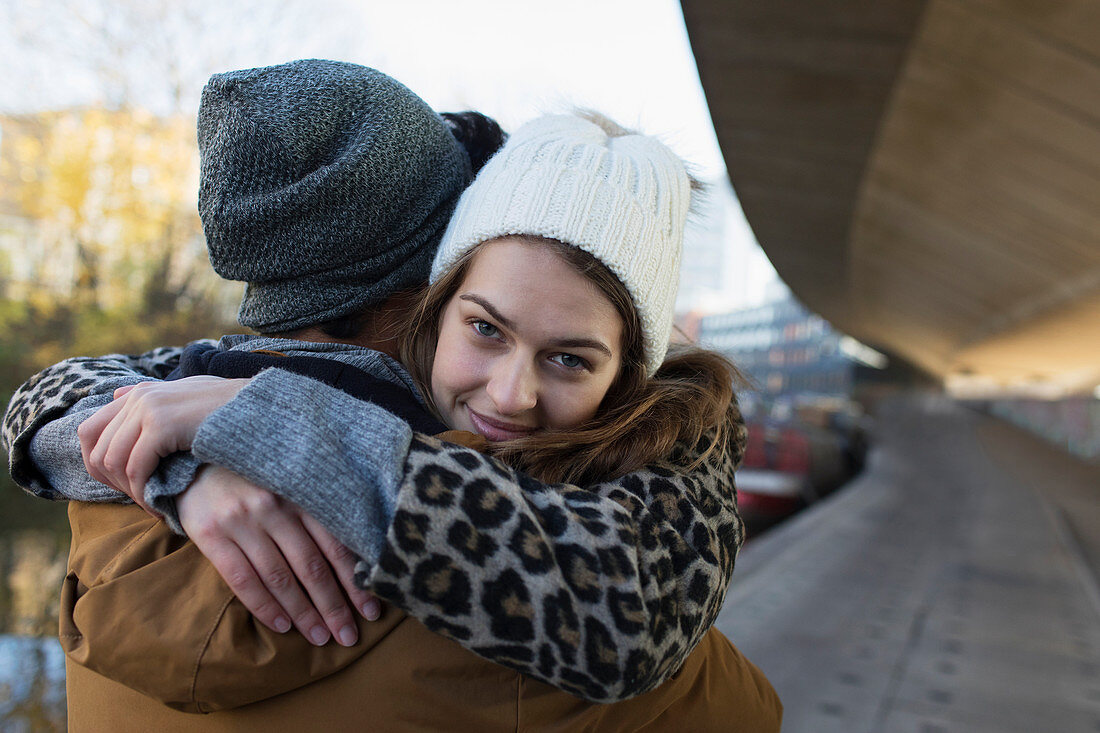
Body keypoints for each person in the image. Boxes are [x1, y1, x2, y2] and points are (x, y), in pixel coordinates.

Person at [5, 61, 780, 729]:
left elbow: (45, 398)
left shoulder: (141, 451)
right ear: (434, 297)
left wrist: (199, 452)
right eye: (485, 325)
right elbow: (724, 690)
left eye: (570, 358)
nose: (510, 392)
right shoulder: (537, 583)